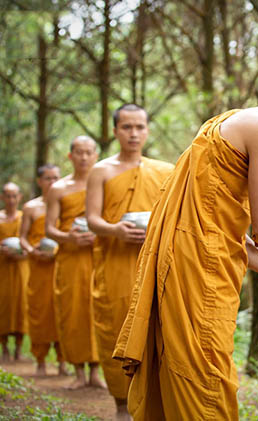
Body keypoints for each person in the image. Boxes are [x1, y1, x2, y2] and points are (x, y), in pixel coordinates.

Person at [113, 77, 258, 420]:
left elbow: (237, 240)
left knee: (190, 376)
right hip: (199, 277)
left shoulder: (235, 120)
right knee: (206, 383)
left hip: (189, 268)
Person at [86, 104, 174, 420]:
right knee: (115, 328)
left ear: (147, 130)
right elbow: (92, 219)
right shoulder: (102, 171)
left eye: (139, 127)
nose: (133, 133)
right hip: (114, 264)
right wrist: (115, 230)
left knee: (155, 329)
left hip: (153, 264)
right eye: (126, 127)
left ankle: (155, 399)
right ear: (115, 131)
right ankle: (122, 403)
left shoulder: (165, 170)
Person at [45, 136, 103, 390]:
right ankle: (78, 371)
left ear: (96, 156)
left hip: (98, 256)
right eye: (78, 152)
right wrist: (68, 238)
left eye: (88, 152)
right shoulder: (59, 188)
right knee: (73, 311)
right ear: (70, 156)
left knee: (98, 310)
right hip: (70, 258)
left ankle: (96, 371)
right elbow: (49, 229)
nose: (83, 157)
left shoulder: (104, 184)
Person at [18, 164, 67, 376]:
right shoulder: (31, 208)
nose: (53, 182)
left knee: (62, 311)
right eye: (48, 178)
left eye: (56, 177)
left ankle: (63, 361)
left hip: (60, 264)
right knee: (39, 312)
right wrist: (32, 251)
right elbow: (22, 238)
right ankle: (40, 361)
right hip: (38, 267)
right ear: (39, 181)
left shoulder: (65, 205)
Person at [0, 182, 29, 362]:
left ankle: (19, 348)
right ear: (3, 198)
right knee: (2, 305)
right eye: (7, 196)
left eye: (14, 196)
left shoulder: (24, 217)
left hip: (21, 267)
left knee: (21, 305)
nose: (11, 200)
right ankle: (4, 348)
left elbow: (30, 240)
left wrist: (24, 252)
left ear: (19, 197)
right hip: (2, 267)